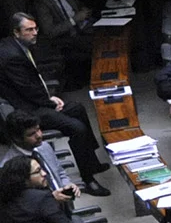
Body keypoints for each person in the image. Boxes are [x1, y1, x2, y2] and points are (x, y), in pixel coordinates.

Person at [0, 11, 111, 189]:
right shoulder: (11, 55)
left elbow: (32, 84)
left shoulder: (19, 46)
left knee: (78, 109)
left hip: (36, 101)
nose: (35, 32)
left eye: (36, 28)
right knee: (76, 128)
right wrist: (50, 102)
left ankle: (91, 162)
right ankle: (88, 179)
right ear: (16, 32)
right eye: (29, 29)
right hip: (28, 111)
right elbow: (26, 89)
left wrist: (49, 98)